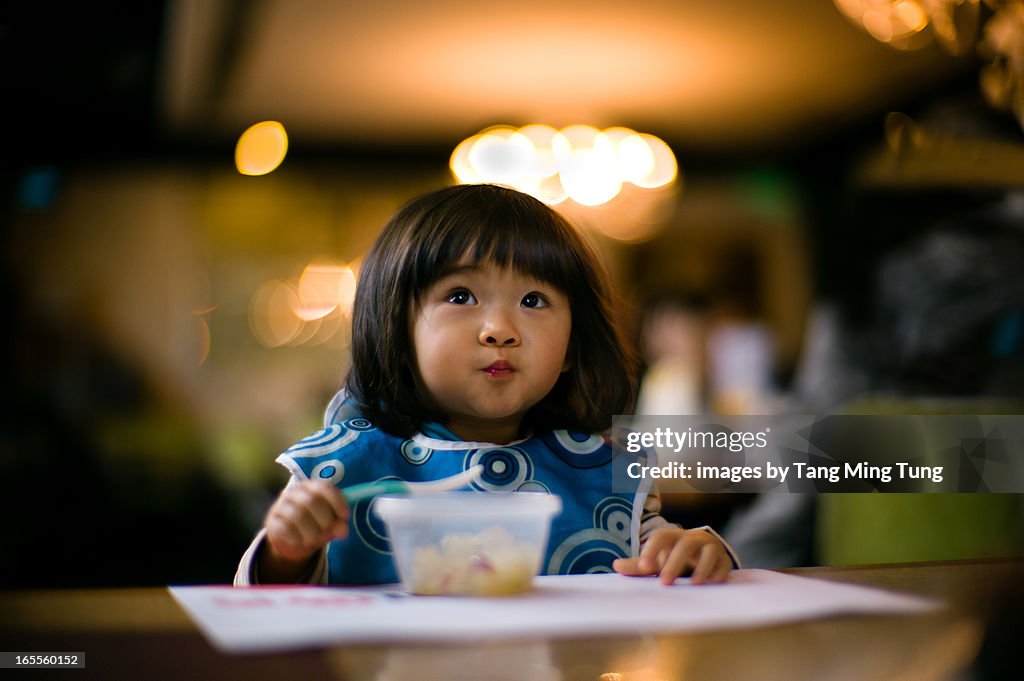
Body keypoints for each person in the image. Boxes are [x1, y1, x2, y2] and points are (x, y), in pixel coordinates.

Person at [235, 184, 738, 587]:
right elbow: (264, 601)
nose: (500, 328)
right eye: (460, 295)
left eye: (534, 301)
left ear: (571, 351)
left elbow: (666, 562)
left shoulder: (603, 474)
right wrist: (287, 551)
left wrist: (696, 552)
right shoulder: (343, 469)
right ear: (395, 331)